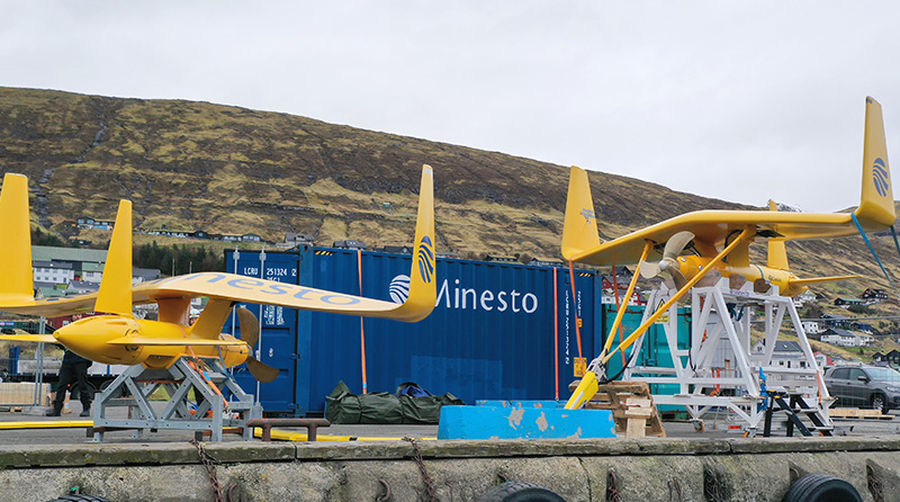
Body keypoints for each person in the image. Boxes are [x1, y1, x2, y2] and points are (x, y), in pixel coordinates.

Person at [46, 349, 93, 417]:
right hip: (68, 359)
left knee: (82, 384)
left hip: (81, 359)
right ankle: (57, 409)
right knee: (62, 384)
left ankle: (86, 408)